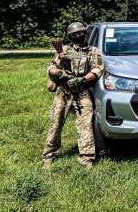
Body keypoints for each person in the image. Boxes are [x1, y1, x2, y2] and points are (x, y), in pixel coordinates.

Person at [42, 22, 104, 169]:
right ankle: (49, 155)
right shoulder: (63, 50)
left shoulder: (93, 51)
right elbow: (50, 67)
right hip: (63, 92)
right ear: (70, 36)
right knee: (55, 124)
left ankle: (87, 159)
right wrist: (60, 73)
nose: (78, 36)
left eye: (80, 33)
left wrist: (82, 79)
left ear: (85, 33)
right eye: (74, 34)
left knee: (85, 126)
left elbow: (98, 69)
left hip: (82, 92)